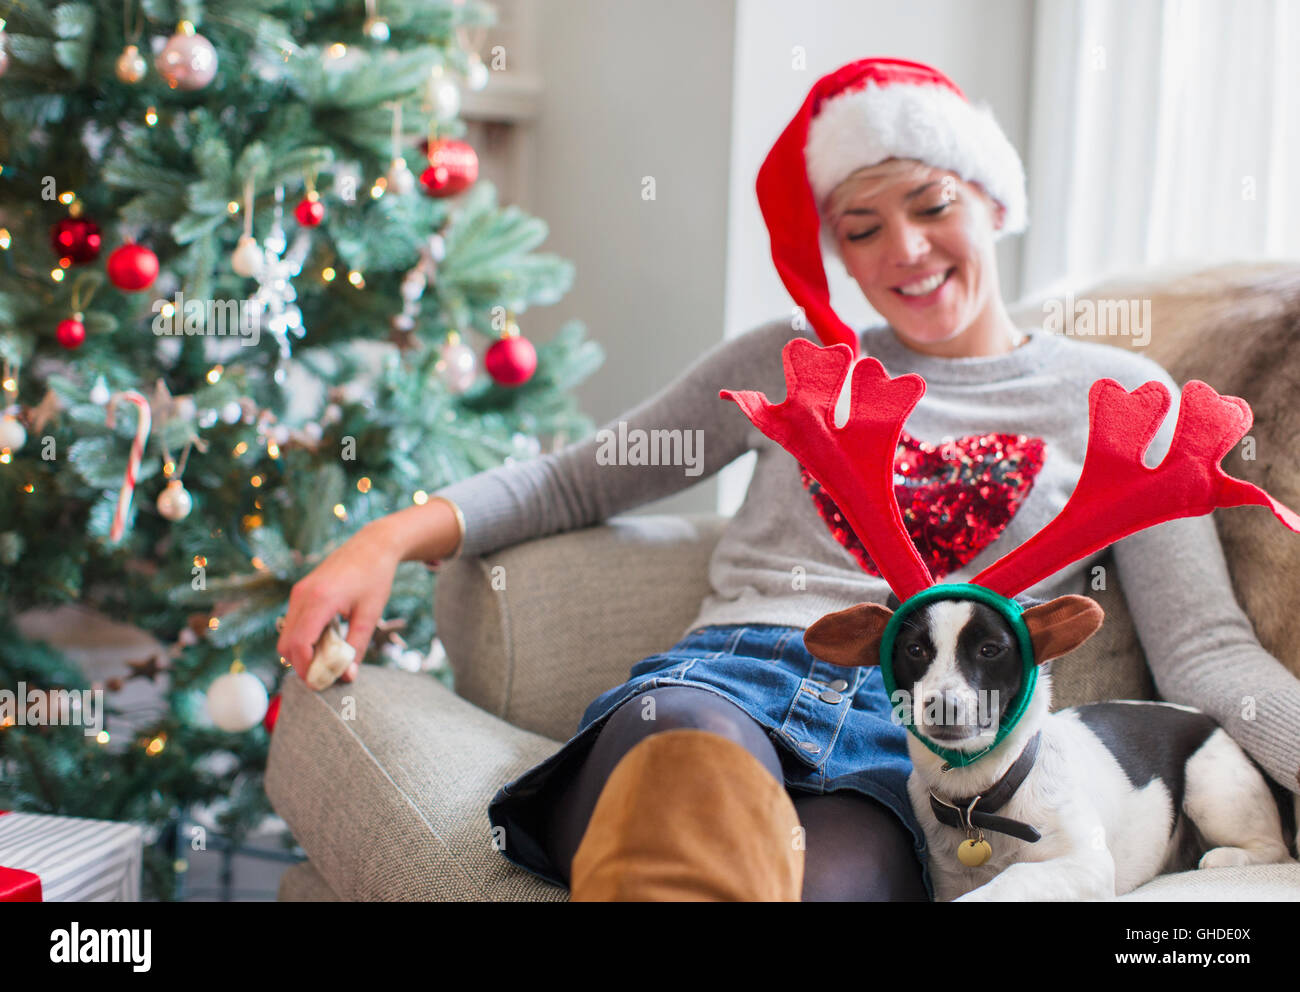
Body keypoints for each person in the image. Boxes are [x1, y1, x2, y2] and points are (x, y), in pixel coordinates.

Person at [276, 57, 1300, 901]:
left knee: (831, 886)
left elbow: (1207, 651)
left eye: (931, 204)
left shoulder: (1126, 398)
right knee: (684, 781)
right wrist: (382, 540)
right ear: (838, 257)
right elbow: (576, 483)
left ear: (991, 199)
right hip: (723, 682)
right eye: (860, 226)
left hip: (917, 750)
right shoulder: (791, 361)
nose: (903, 247)